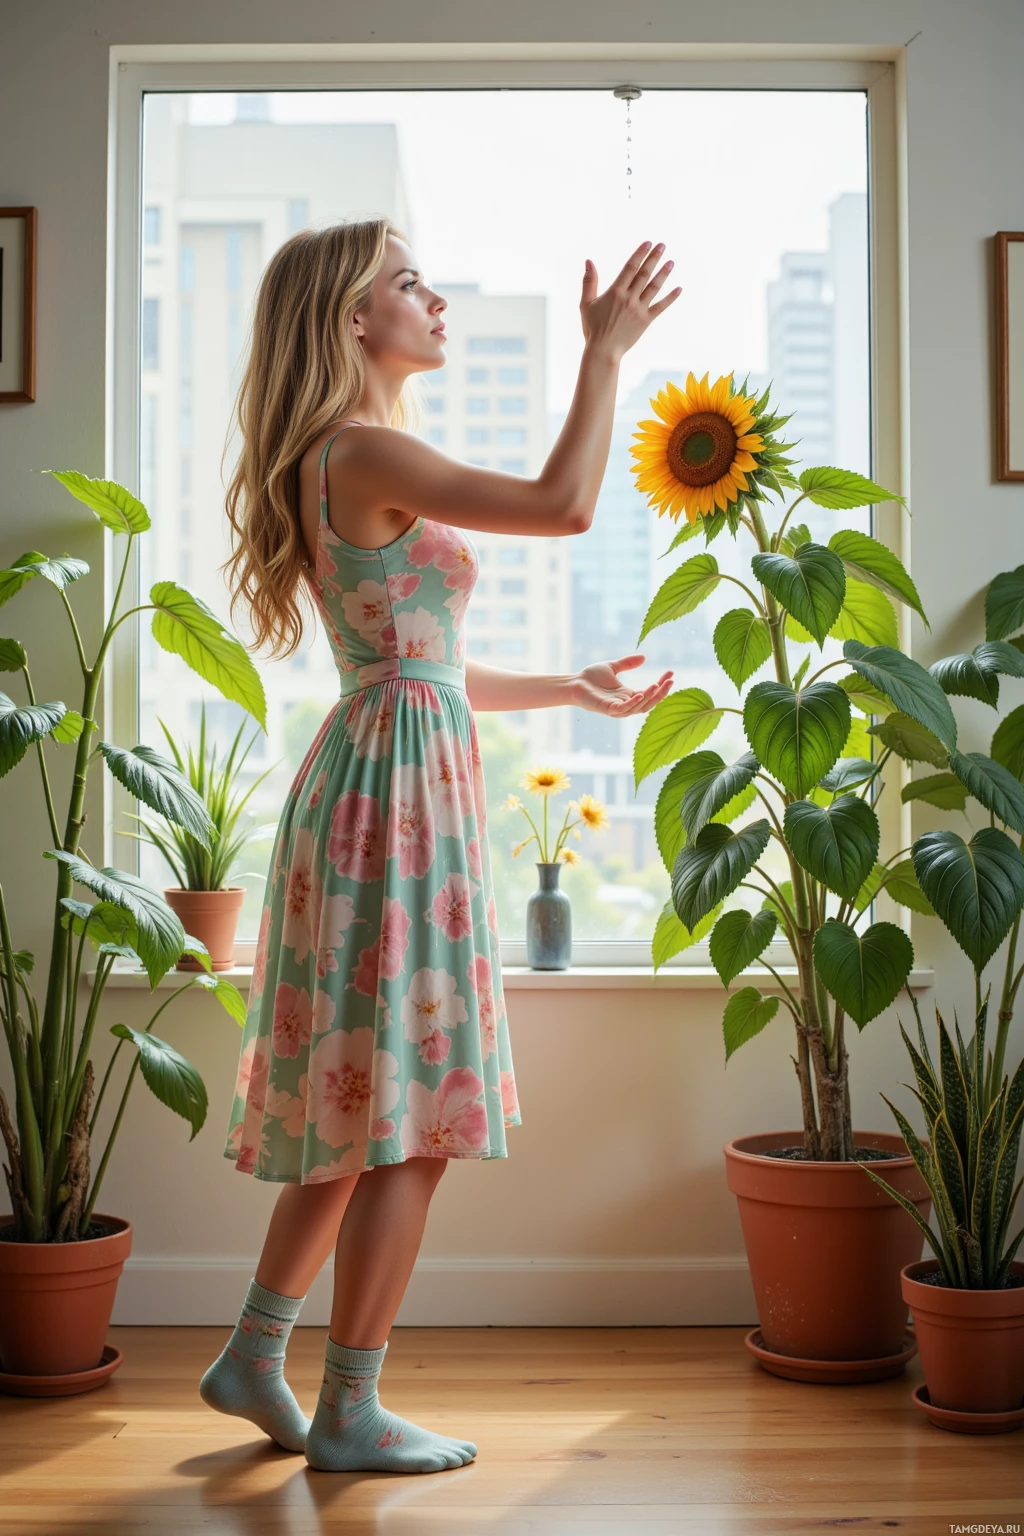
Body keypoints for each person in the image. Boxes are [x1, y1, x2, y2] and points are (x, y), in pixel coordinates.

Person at [198, 218, 680, 1473]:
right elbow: (566, 508)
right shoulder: (364, 448)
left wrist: (567, 691)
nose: (436, 298)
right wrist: (605, 353)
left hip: (384, 777)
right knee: (411, 1114)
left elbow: (421, 664)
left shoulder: (340, 453)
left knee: (373, 1101)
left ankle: (257, 1354)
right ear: (356, 321)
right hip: (395, 801)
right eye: (410, 283)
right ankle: (347, 1407)